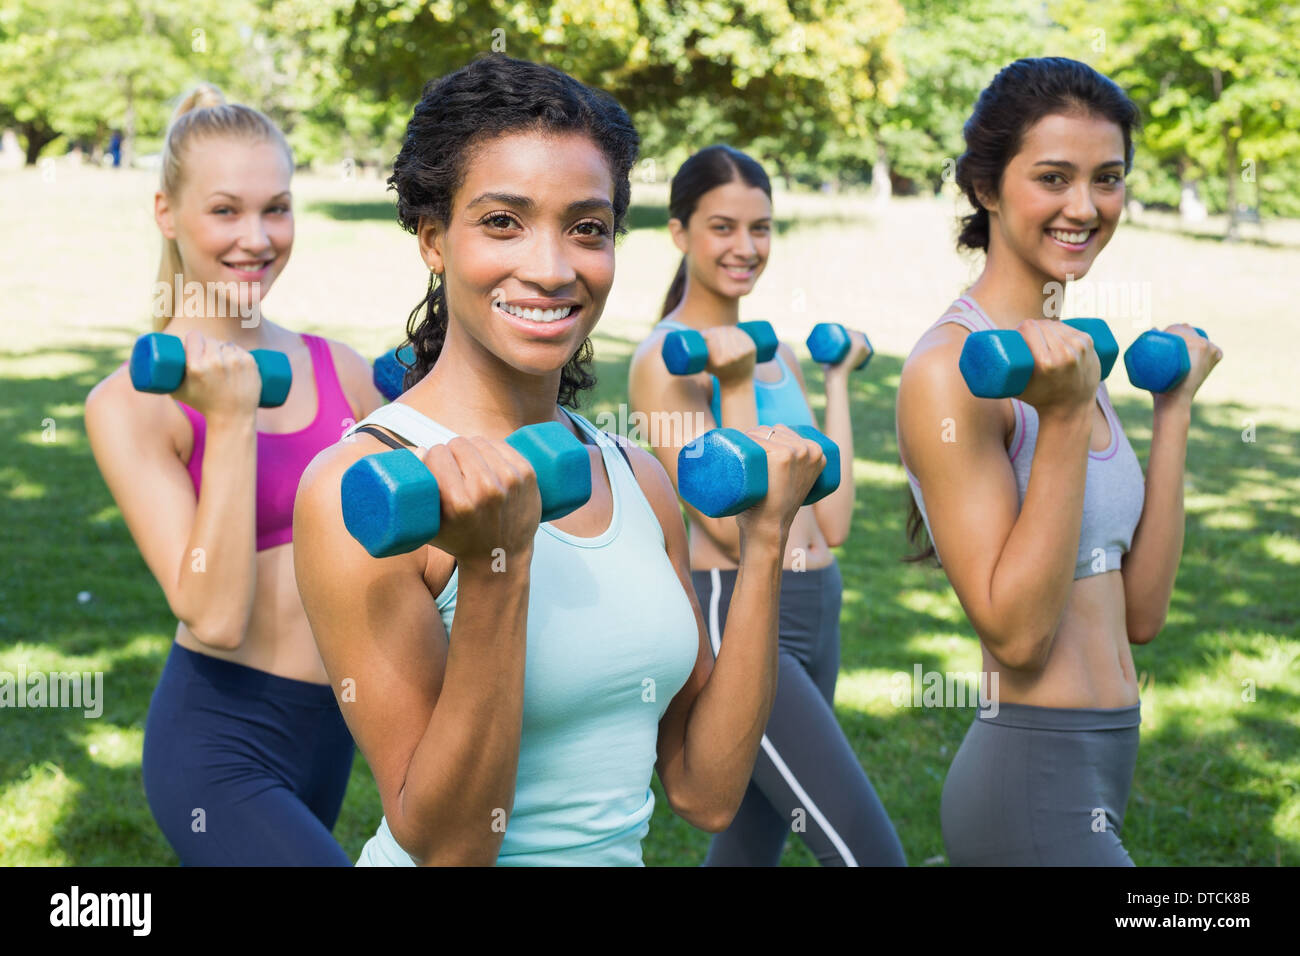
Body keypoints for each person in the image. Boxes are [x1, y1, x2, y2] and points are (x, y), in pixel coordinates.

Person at [293, 53, 829, 867]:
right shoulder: (360, 490)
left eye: (587, 227)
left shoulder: (635, 477)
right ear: (434, 239)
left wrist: (764, 544)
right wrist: (497, 568)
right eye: (503, 222)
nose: (551, 268)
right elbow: (452, 848)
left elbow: (705, 791)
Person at [895, 57, 1222, 866]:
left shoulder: (1070, 359)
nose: (1085, 206)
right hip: (1030, 775)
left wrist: (1172, 410)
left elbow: (1140, 615)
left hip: (1104, 762)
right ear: (987, 187)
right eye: (1053, 177)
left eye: (1107, 178)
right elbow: (1016, 634)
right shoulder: (953, 369)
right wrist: (1069, 414)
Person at [85, 84, 385, 865]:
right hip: (215, 743)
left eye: (276, 208)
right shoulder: (131, 403)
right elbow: (212, 615)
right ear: (166, 213)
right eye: (226, 210)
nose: (257, 237)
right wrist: (228, 419)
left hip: (331, 732)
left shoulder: (341, 370)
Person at [627, 145, 907, 867]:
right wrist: (738, 384)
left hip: (818, 601)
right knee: (867, 854)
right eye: (723, 227)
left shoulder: (771, 350)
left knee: (751, 843)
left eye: (762, 228)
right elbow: (726, 527)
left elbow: (834, 519)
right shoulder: (666, 359)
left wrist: (837, 381)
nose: (745, 248)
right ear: (680, 232)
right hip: (740, 611)